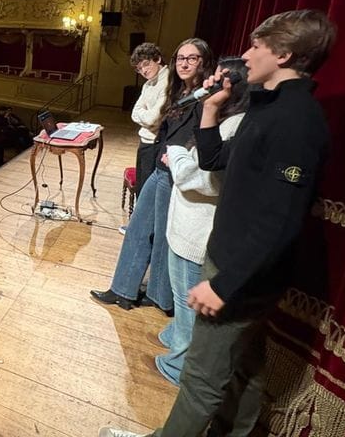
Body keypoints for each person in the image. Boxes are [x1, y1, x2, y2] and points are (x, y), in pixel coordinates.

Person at [100, 9, 335, 437]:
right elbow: (212, 159)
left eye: (256, 46)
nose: (245, 55)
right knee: (245, 369)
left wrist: (223, 284)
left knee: (200, 380)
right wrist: (210, 107)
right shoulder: (268, 108)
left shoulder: (296, 121)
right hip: (236, 264)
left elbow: (281, 220)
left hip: (239, 272)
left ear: (283, 54)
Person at [91, 38, 213, 314]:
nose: (184, 63)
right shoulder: (178, 89)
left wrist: (179, 156)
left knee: (161, 236)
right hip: (161, 164)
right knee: (138, 228)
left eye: (191, 58)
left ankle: (159, 297)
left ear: (203, 62)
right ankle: (122, 290)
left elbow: (193, 133)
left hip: (176, 171)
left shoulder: (205, 96)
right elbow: (150, 118)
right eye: (180, 58)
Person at [154, 57, 249, 386]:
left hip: (197, 232)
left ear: (232, 87)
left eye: (217, 78)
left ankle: (179, 365)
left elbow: (204, 180)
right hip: (187, 226)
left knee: (187, 302)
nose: (208, 82)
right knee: (181, 298)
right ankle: (175, 340)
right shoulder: (225, 119)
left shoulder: (236, 126)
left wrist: (177, 155)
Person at [128, 43, 170, 198]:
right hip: (145, 140)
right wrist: (144, 115)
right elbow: (134, 112)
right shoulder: (148, 83)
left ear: (157, 59)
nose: (143, 71)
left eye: (146, 64)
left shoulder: (168, 81)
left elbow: (153, 119)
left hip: (156, 143)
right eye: (139, 69)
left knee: (147, 192)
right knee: (141, 188)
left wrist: (144, 115)